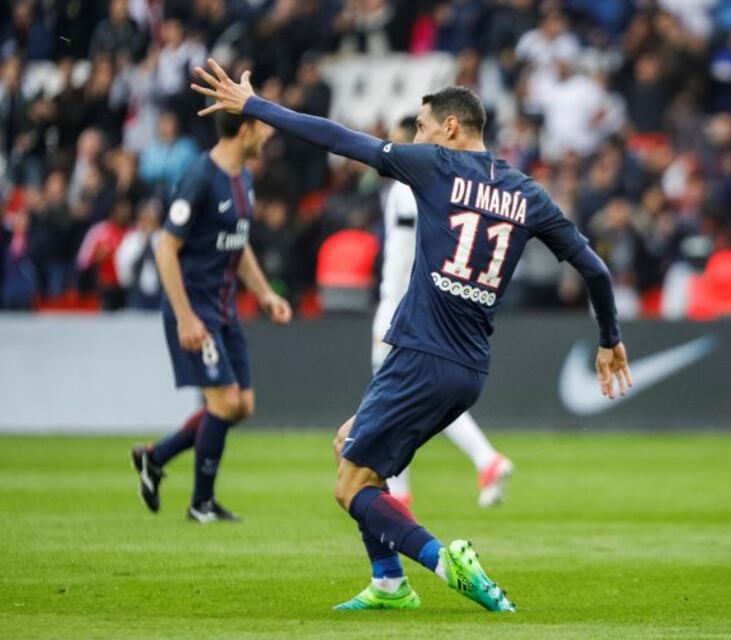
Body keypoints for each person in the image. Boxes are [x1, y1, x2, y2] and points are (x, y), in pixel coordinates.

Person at [192, 60, 632, 611]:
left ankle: (443, 562)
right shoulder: (527, 194)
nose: (415, 136)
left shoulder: (436, 167)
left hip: (421, 353)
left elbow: (339, 138)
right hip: (470, 369)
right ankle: (388, 582)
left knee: (350, 487)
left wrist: (254, 106)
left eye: (422, 126)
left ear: (450, 128)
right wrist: (609, 338)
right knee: (349, 447)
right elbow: (595, 267)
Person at [130, 109, 292, 523]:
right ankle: (201, 503)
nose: (268, 134)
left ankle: (155, 457)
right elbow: (166, 248)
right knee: (224, 402)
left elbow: (239, 245)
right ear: (244, 130)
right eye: (262, 125)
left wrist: (265, 294)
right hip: (195, 308)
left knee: (242, 406)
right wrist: (185, 318)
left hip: (224, 310)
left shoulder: (245, 178)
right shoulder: (199, 177)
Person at [375, 116, 513, 510]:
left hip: (402, 309)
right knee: (415, 401)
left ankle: (402, 500)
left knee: (394, 408)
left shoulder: (409, 187)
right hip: (425, 307)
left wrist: (390, 313)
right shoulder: (445, 188)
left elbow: (403, 258)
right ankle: (483, 460)